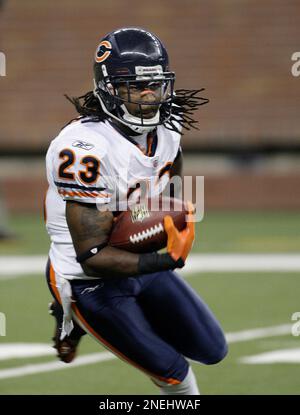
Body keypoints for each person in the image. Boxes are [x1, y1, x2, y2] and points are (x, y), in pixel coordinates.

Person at [45, 27, 227, 395]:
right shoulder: (84, 150)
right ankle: (71, 315)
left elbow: (170, 190)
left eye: (155, 85)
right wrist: (166, 260)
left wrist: (172, 218)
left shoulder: (169, 125)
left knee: (212, 349)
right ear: (109, 89)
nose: (148, 96)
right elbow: (92, 255)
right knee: (175, 373)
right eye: (135, 86)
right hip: (88, 280)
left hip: (133, 256)